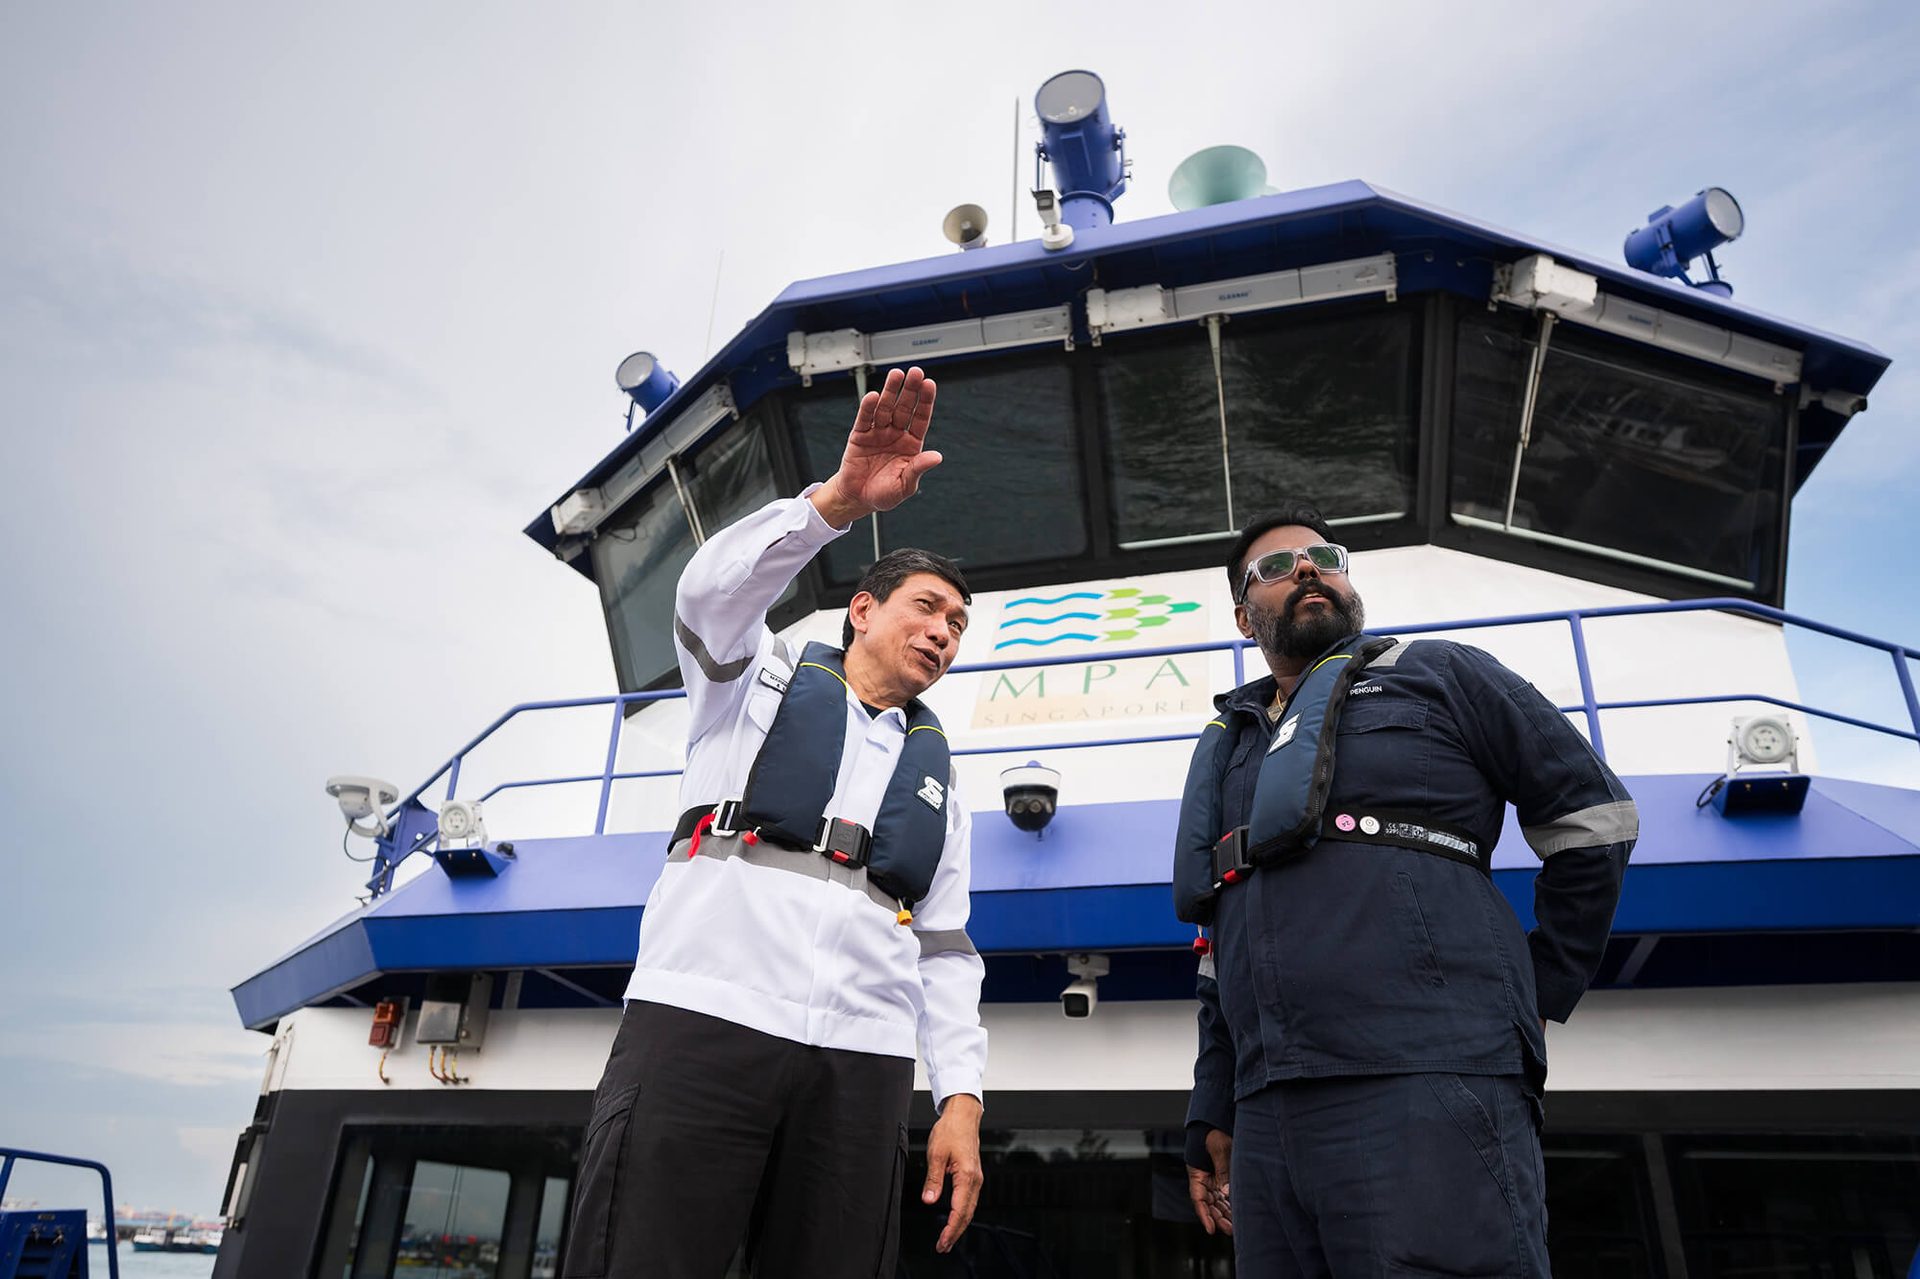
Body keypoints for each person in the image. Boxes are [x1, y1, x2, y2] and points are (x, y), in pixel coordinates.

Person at [563, 367, 986, 1279]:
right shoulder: (748, 684)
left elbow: (946, 951)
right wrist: (836, 504)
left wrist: (960, 1097)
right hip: (703, 1019)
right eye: (927, 608)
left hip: (863, 1062)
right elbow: (704, 595)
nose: (944, 632)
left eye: (957, 624)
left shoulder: (943, 786)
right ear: (862, 610)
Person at [1176, 502, 1637, 1277]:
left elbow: (1596, 820)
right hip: (1265, 1115)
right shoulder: (1234, 748)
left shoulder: (1444, 674)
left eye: (1325, 556)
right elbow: (1222, 942)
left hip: (1427, 1077)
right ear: (1243, 616)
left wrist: (1539, 992)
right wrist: (1212, 1105)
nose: (1308, 568)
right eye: (1276, 566)